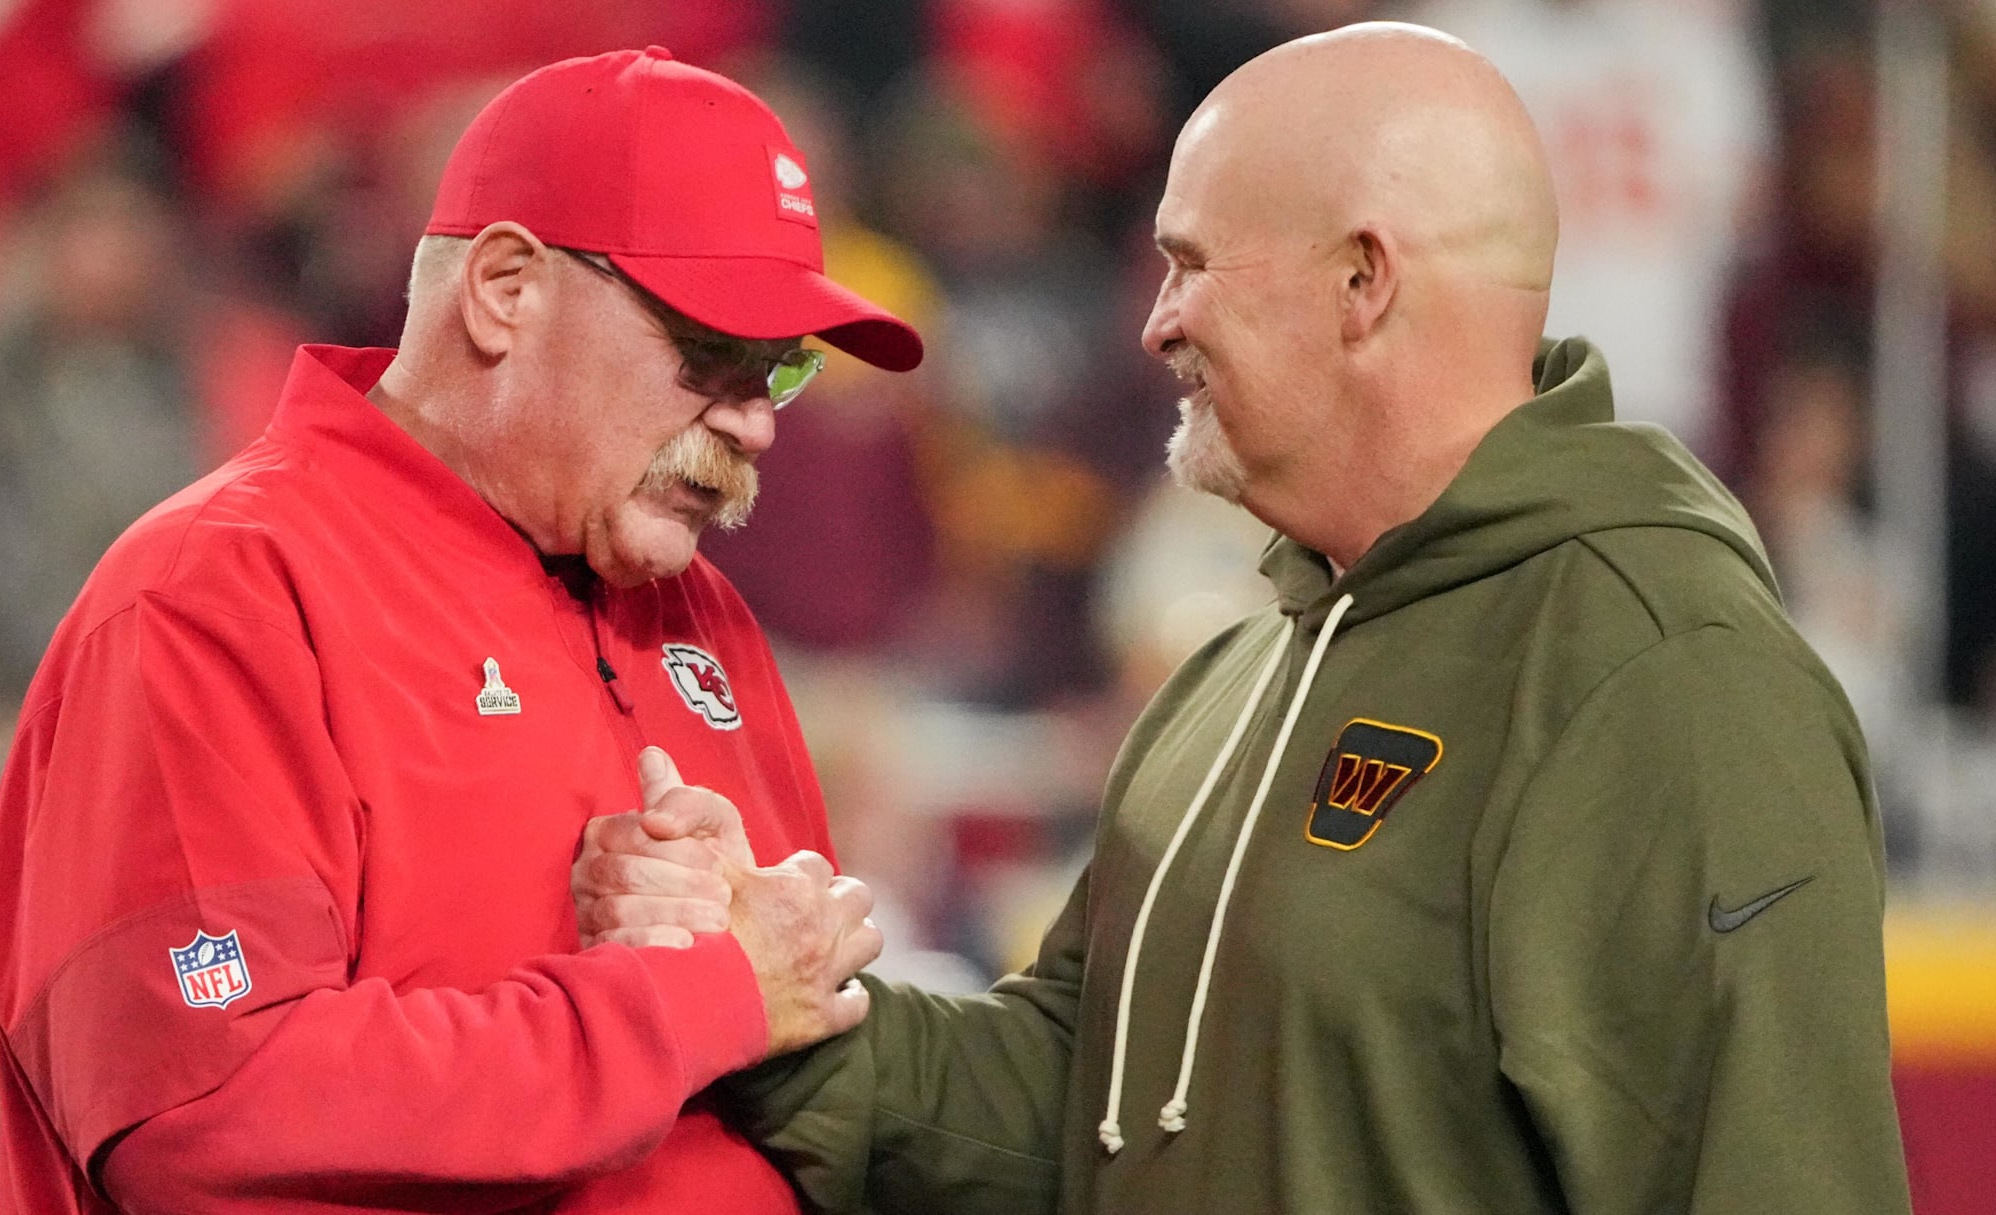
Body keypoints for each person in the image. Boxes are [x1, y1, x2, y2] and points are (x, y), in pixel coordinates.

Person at [574, 23, 1913, 1214]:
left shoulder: (1665, 675)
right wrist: (766, 996)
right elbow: (1081, 1104)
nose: (1156, 324)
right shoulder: (1237, 665)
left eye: (1192, 263)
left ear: (1362, 281)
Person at [0, 47, 902, 1214]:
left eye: (781, 370)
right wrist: (701, 999)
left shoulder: (695, 610)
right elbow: (212, 1113)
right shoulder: (220, 594)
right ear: (506, 288)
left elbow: (793, 1039)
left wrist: (755, 974)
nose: (755, 426)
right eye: (714, 355)